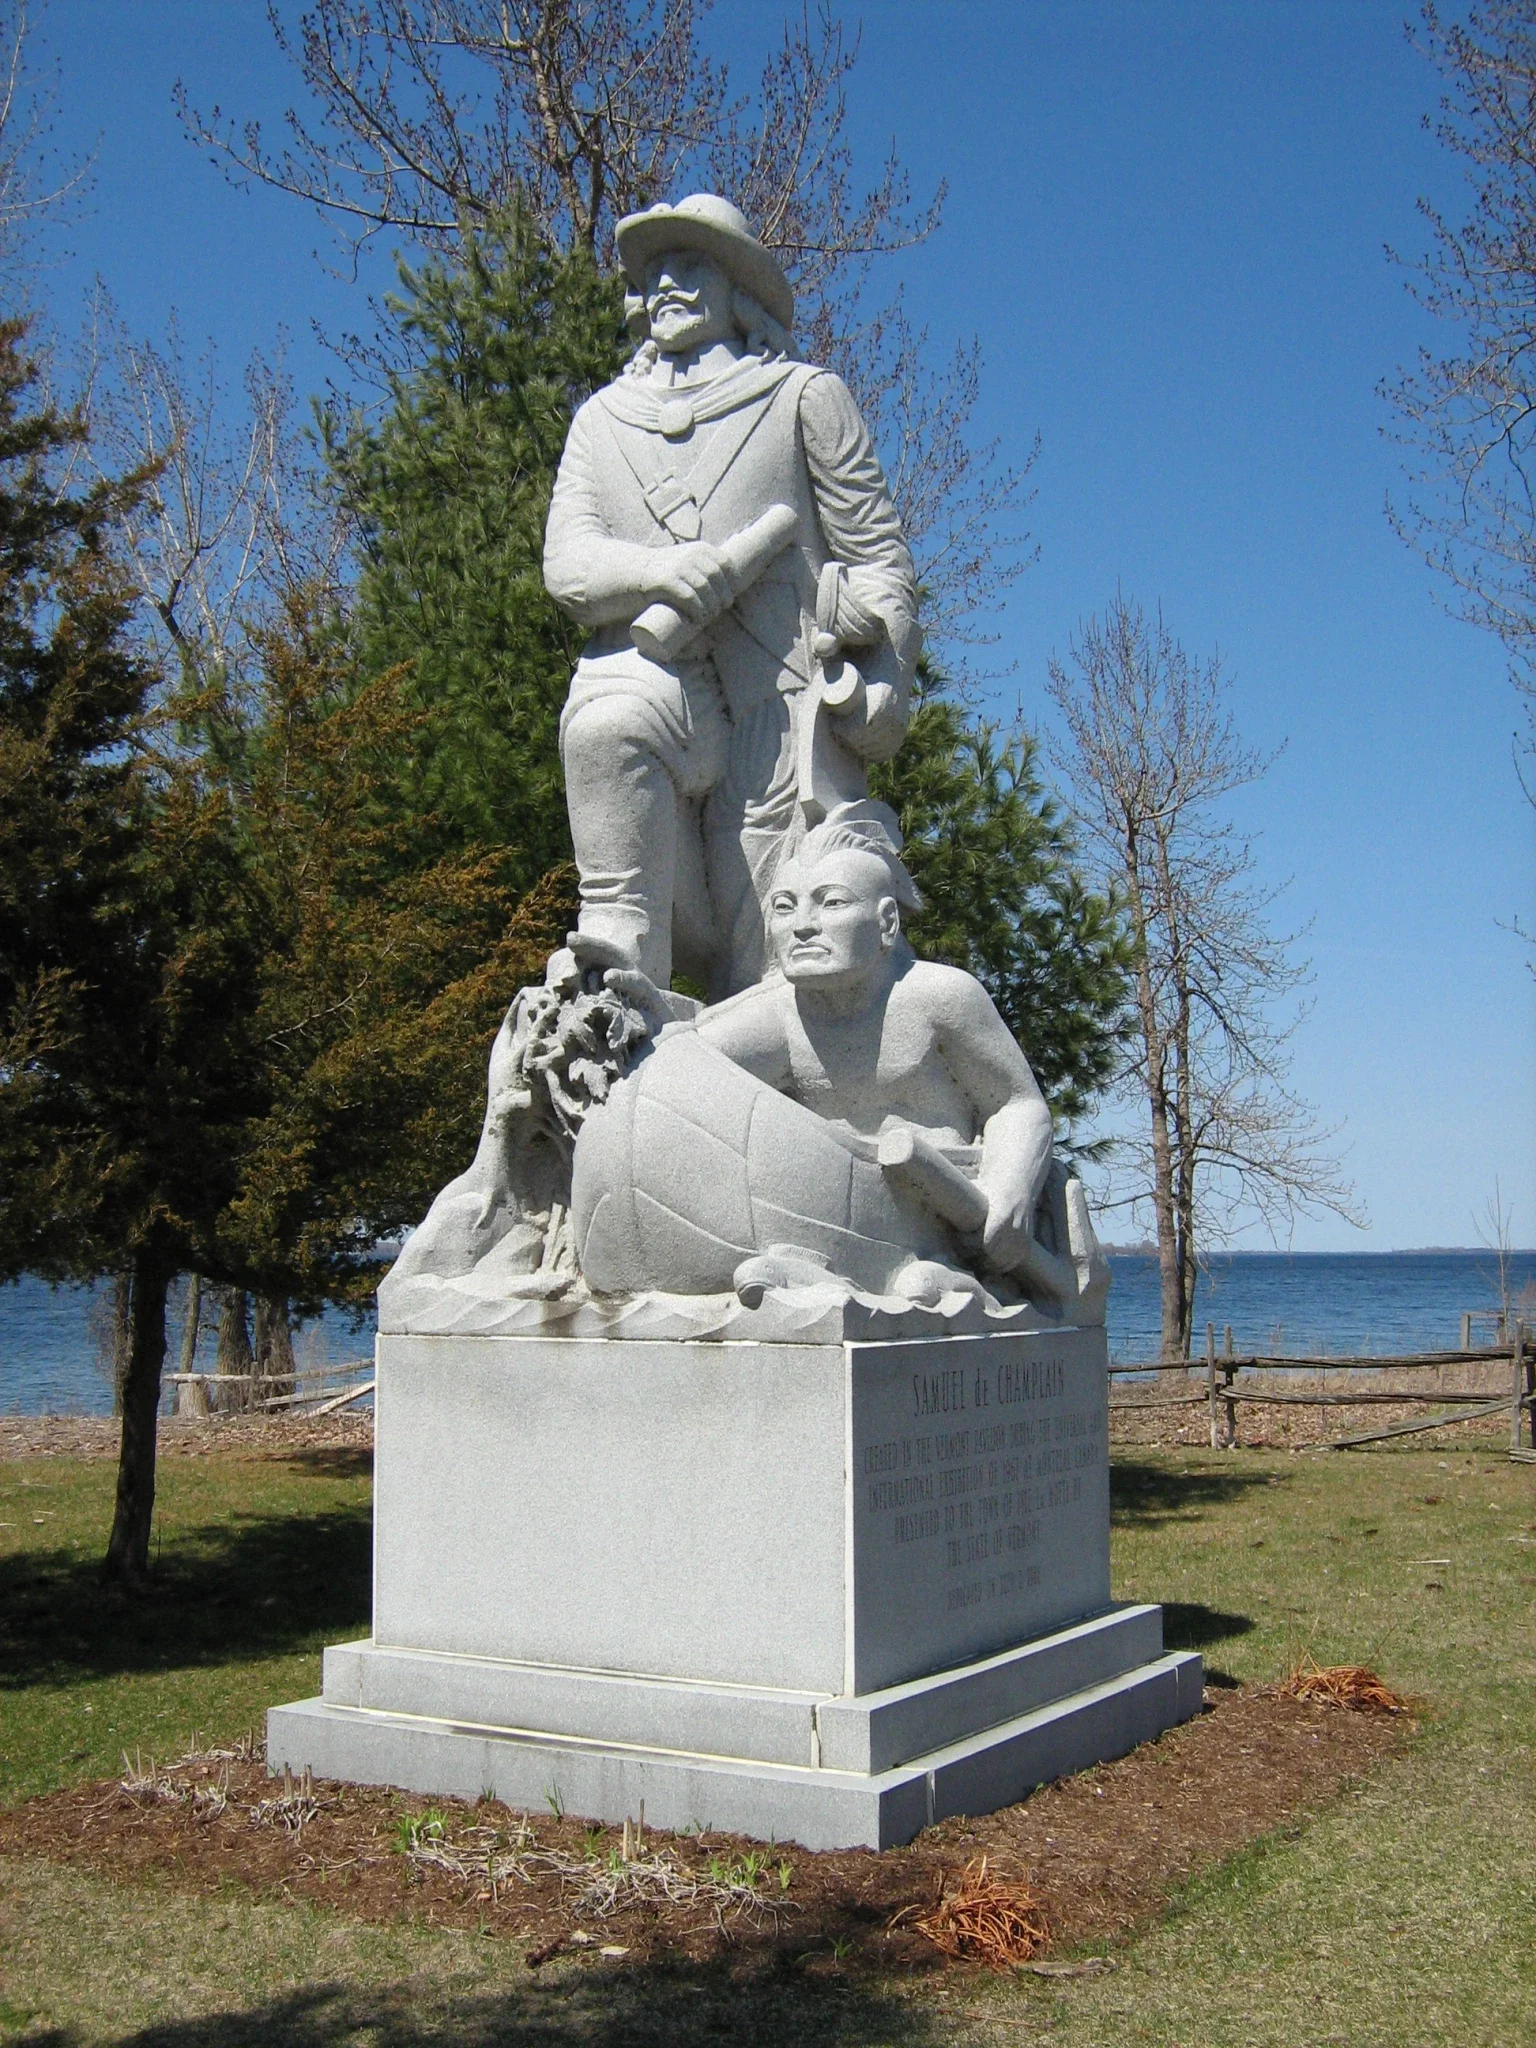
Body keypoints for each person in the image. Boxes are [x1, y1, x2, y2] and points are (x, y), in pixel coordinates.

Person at [543, 193, 919, 998]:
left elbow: (877, 555)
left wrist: (877, 677)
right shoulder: (601, 422)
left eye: (691, 265)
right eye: (655, 271)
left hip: (776, 702)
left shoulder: (803, 396)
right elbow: (568, 564)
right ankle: (618, 964)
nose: (667, 285)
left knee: (772, 965)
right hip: (649, 679)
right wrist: (658, 574)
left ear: (740, 288)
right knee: (605, 723)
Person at [572, 807, 1103, 1312]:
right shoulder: (783, 1012)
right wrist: (639, 1010)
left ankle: (941, 1279)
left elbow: (1017, 1103)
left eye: (831, 903)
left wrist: (1010, 1190)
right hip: (830, 1197)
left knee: (921, 1280)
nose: (803, 925)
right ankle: (822, 1272)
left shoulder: (939, 997)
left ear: (887, 923)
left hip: (939, 1206)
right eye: (784, 907)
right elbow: (683, 1064)